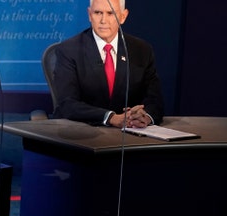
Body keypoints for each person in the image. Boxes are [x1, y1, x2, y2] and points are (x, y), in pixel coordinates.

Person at [52, 0, 165, 128]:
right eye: (98, 13)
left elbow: (155, 100)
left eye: (110, 13)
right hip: (81, 132)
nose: (103, 20)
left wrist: (145, 116)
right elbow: (68, 104)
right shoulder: (69, 50)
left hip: (129, 134)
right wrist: (110, 117)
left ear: (123, 16)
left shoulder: (142, 50)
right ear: (89, 15)